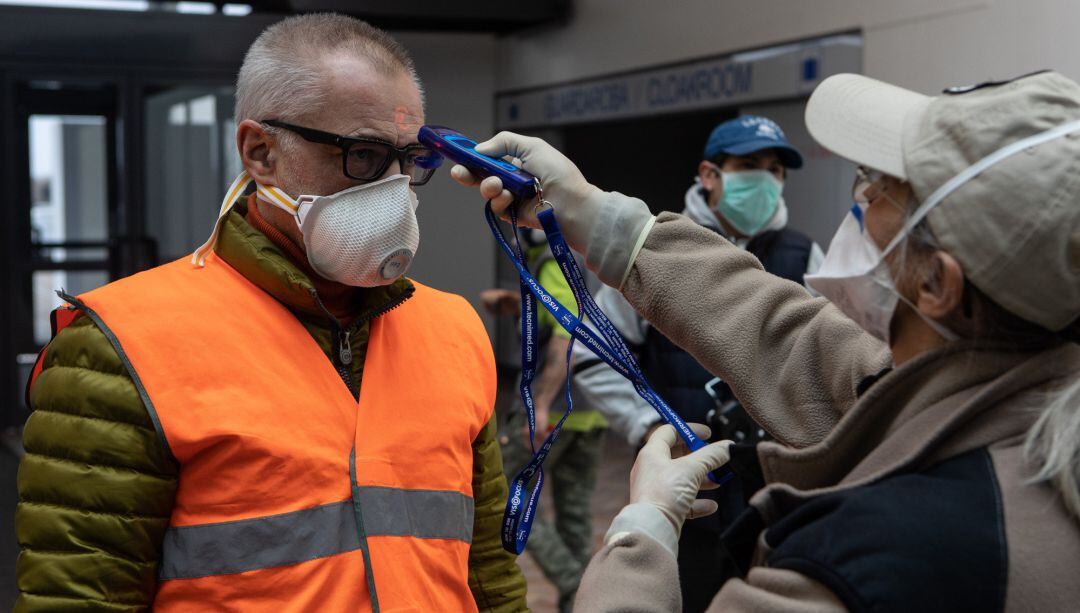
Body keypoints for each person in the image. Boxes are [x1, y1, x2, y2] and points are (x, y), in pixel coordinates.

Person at [452, 70, 1080, 611]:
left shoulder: (860, 565)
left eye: (879, 191)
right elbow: (786, 333)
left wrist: (641, 537)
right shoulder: (1023, 411)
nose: (858, 206)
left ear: (936, 282)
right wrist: (591, 211)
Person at [16, 14, 526, 611]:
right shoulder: (119, 346)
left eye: (409, 159)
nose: (393, 188)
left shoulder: (454, 330)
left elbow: (488, 572)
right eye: (362, 155)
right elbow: (79, 597)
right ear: (260, 152)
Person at [571, 115, 821, 611]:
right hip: (691, 489)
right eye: (750, 166)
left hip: (778, 488)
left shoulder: (803, 254)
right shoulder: (661, 248)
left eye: (776, 170)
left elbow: (820, 359)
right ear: (710, 174)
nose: (767, 180)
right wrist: (649, 427)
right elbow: (591, 356)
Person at [482, 229, 608, 613]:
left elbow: (566, 336)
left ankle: (572, 581)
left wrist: (539, 404)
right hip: (591, 409)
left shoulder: (554, 260)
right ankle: (582, 600)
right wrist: (519, 307)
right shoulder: (584, 255)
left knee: (508, 497)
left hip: (553, 411)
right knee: (574, 513)